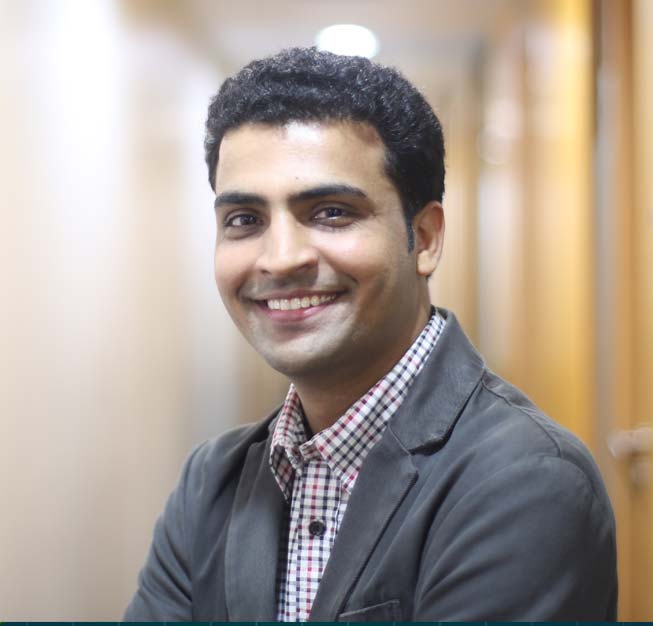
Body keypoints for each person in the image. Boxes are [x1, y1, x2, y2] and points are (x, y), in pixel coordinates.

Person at [124, 47, 616, 622]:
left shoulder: (527, 480)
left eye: (331, 212)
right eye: (245, 220)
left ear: (424, 238)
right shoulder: (211, 482)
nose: (279, 258)